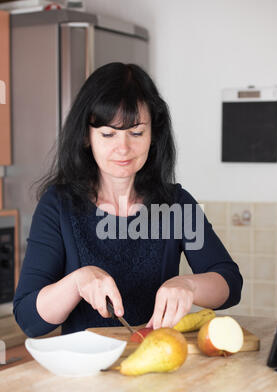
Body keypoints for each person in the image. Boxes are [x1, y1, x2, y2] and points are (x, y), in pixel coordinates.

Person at [13, 62, 243, 338]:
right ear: (87, 138)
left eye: (136, 133)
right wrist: (77, 282)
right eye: (108, 134)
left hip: (157, 363)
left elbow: (230, 284)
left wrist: (189, 285)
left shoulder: (176, 204)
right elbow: (29, 319)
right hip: (87, 374)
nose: (123, 148)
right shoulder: (58, 205)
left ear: (153, 135)